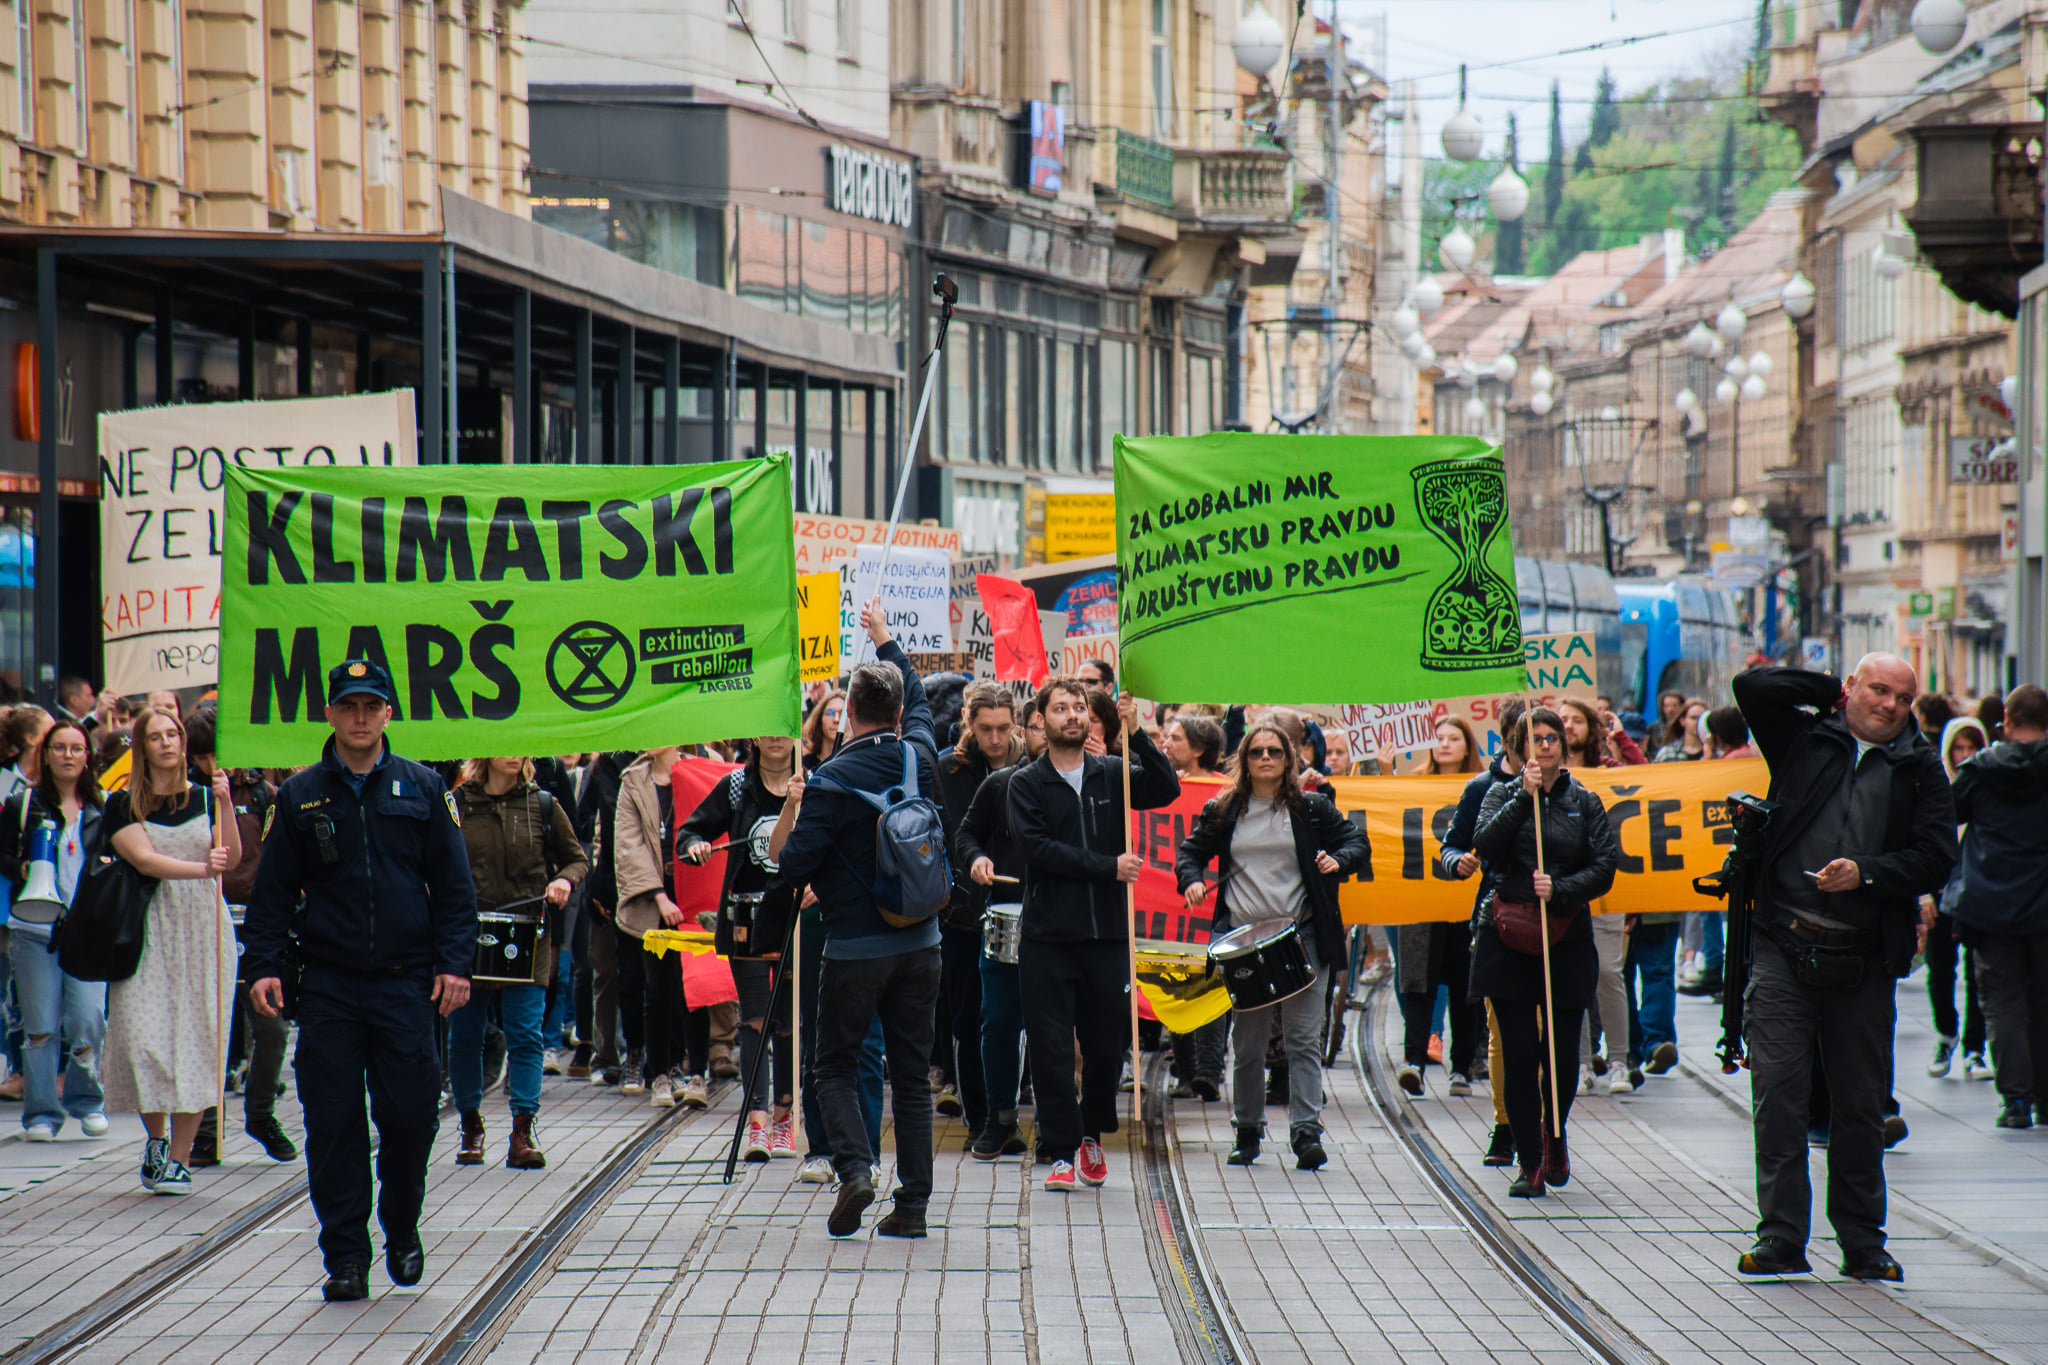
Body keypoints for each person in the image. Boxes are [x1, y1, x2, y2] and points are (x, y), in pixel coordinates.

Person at [244, 659, 477, 1302]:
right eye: (349, 705)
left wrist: (456, 963)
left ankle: (400, 1225)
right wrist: (263, 964)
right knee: (335, 1122)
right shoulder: (299, 796)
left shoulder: (425, 789)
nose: (360, 716)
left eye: (372, 705)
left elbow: (456, 891)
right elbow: (271, 895)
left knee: (409, 1120)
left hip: (407, 985)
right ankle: (346, 1254)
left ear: (388, 713)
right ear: (331, 713)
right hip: (329, 987)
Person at [1731, 656, 1957, 1282]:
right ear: (1853, 688)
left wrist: (1868, 871)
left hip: (1863, 956)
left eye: (1904, 697)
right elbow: (1753, 687)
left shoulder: (1918, 767)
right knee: (1778, 1095)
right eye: (1878, 690)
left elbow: (1938, 856)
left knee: (1859, 1107)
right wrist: (1832, 691)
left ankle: (1862, 1242)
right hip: (1783, 943)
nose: (1890, 705)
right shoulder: (1804, 740)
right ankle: (1780, 1237)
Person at [771, 601, 944, 1240]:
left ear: (847, 714)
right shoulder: (920, 757)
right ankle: (914, 1208)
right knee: (911, 1077)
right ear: (897, 715)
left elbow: (791, 867)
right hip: (922, 942)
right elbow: (920, 698)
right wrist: (886, 640)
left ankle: (855, 1168)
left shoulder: (828, 781)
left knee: (835, 1064)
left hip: (852, 949)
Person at [1006, 678, 1180, 1193]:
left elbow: (1165, 788)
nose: (1072, 715)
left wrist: (1136, 731)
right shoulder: (1026, 783)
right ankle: (1060, 1150)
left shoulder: (1111, 772)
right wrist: (1109, 867)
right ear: (1042, 721)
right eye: (1061, 708)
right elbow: (1038, 850)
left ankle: (1091, 1134)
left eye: (1079, 707)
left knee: (1106, 1047)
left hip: (1107, 937)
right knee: (1052, 1048)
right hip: (1049, 938)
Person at [1176, 721, 1366, 1169]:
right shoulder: (1224, 808)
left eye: (1275, 752)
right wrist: (1192, 880)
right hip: (1244, 942)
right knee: (1248, 1042)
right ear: (1244, 759)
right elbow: (1190, 852)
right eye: (1257, 751)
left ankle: (1306, 1131)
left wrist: (1337, 860)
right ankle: (1247, 1130)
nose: (1266, 758)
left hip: (1302, 938)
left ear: (1289, 759)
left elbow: (1357, 843)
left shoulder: (1313, 807)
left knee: (1303, 1039)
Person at [1470, 707, 1619, 1198]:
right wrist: (1522, 796)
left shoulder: (1586, 801)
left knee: (1559, 1054)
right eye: (1535, 738)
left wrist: (1560, 887)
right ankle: (1530, 1160)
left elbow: (1604, 865)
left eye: (1553, 737)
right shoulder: (1501, 793)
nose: (1546, 745)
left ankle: (1556, 1133)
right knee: (1518, 1053)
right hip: (1509, 935)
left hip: (1565, 934)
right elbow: (1485, 847)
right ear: (1518, 748)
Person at [99, 706, 237, 1197]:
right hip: (148, 927)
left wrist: (223, 804)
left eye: (173, 733)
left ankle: (179, 1158)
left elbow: (231, 859)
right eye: (155, 736)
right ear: (141, 746)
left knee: (200, 1040)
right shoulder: (122, 804)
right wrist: (202, 870)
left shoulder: (203, 796)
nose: (167, 742)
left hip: (203, 929)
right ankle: (155, 1139)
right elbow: (145, 859)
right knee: (143, 1037)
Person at [450, 757, 587, 1168]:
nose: (514, 754)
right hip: (469, 933)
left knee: (526, 1035)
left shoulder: (542, 803)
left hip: (527, 934)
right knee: (465, 1036)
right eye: (506, 745)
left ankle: (522, 1131)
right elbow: (430, 857)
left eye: (521, 748)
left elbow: (577, 858)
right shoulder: (457, 803)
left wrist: (564, 879)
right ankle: (471, 1124)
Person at [680, 733, 804, 1159]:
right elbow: (692, 830)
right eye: (766, 729)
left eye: (782, 730)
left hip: (795, 919)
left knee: (788, 1023)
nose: (774, 738)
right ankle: (757, 1123)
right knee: (754, 1020)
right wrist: (694, 845)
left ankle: (787, 1119)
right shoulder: (736, 786)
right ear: (754, 736)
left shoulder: (812, 783)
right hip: (745, 921)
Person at [184, 709, 295, 1166]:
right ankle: (207, 1130)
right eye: (203, 755)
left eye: (218, 753)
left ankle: (261, 1111)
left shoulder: (265, 794)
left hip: (256, 921)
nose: (213, 763)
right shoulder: (188, 794)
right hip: (205, 918)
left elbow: (275, 853)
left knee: (271, 1026)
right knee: (212, 1030)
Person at [1, 720, 108, 1141]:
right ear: (45, 754)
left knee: (86, 1019)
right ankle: (42, 1114)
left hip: (87, 929)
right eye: (59, 748)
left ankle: (86, 1100)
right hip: (33, 928)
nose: (68, 755)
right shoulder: (23, 804)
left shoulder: (104, 806)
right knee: (40, 1026)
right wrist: (22, 868)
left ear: (87, 757)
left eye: (76, 749)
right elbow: (3, 855)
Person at [1948, 685, 2048, 1129]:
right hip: (2045, 904)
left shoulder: (1980, 771)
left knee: (2002, 1002)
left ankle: (2016, 1101)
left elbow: (1947, 813)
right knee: (2044, 1000)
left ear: (2005, 719)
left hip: (1992, 901)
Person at [934, 683, 1024, 1149]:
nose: (995, 738)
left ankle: (1006, 1110)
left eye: (1003, 728)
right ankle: (980, 1118)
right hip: (964, 911)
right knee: (968, 1019)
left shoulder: (1030, 763)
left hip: (1020, 907)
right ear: (969, 721)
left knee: (1011, 1017)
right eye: (985, 728)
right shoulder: (948, 767)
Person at [957, 697, 1044, 1161]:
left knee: (1055, 1026)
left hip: (1063, 922)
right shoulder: (1000, 784)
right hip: (1007, 921)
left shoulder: (1092, 782)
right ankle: (1000, 1119)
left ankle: (1054, 1124)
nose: (1042, 735)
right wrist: (977, 859)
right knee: (999, 1023)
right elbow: (966, 835)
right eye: (1034, 727)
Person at [1441, 698, 1526, 1165]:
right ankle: (1506, 1123)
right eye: (1523, 735)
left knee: (1544, 1033)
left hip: (1554, 924)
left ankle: (1544, 1122)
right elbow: (1451, 848)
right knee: (1500, 1032)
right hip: (1499, 919)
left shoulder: (1573, 793)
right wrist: (1460, 863)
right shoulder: (1483, 787)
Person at [1395, 717, 1485, 1100]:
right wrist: (1383, 772)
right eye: (1439, 739)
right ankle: (1413, 1060)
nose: (1445, 745)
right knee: (1419, 983)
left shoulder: (1485, 787)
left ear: (1468, 746)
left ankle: (1461, 1067)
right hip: (1423, 904)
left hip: (1468, 906)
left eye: (1454, 738)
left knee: (1468, 986)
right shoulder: (1413, 784)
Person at [612, 746, 707, 1108]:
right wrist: (657, 896)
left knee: (695, 985)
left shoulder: (704, 767)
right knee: (658, 986)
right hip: (655, 896)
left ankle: (696, 1069)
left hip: (695, 890)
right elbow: (628, 846)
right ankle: (661, 1072)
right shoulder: (633, 780)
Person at [1924, 718, 1991, 1079]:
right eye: (1959, 749)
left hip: (1976, 892)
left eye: (1971, 748)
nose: (1965, 756)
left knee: (1977, 971)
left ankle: (1974, 1048)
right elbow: (1919, 842)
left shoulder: (1985, 788)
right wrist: (1922, 895)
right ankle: (1946, 1035)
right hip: (1938, 890)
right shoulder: (1936, 791)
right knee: (1940, 968)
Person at [801, 689, 847, 766]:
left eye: (842, 714)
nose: (836, 719)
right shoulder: (805, 765)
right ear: (819, 719)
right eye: (830, 713)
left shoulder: (855, 764)